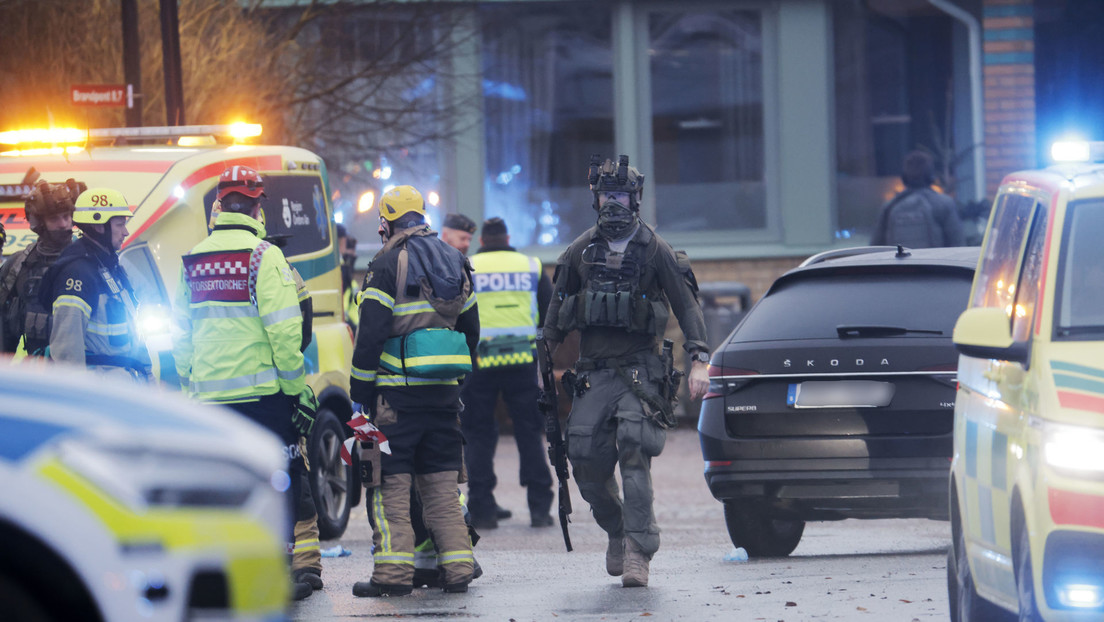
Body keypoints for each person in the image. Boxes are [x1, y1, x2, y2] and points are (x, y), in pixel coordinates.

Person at [542, 154, 709, 588]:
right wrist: (541, 359)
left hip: (640, 370)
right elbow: (556, 316)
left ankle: (638, 549)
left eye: (620, 195)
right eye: (605, 196)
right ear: (594, 199)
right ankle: (617, 530)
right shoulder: (580, 251)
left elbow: (687, 307)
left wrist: (700, 360)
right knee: (584, 463)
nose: (612, 204)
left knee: (634, 451)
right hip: (594, 372)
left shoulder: (656, 250)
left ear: (635, 199)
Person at [171, 166, 319, 601]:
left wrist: (189, 386)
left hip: (210, 400)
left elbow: (181, 335)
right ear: (257, 207)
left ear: (218, 206)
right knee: (280, 482)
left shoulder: (194, 259)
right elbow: (284, 333)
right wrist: (297, 392)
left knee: (222, 488)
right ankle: (275, 574)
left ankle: (227, 575)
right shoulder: (263, 256)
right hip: (264, 399)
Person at [350, 185, 479, 597]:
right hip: (443, 397)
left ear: (386, 222)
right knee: (442, 489)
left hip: (395, 400)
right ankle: (458, 570)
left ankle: (392, 576)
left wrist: (360, 391)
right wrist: (455, 380)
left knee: (390, 490)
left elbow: (370, 335)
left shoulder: (387, 262)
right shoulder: (456, 259)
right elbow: (471, 330)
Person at [461, 216, 555, 530]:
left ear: (483, 241)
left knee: (478, 434)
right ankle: (540, 508)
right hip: (521, 359)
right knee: (529, 432)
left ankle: (483, 508)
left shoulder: (468, 265)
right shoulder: (531, 266)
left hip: (479, 361)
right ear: (508, 237)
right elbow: (549, 311)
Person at [40, 188, 148, 379]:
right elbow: (67, 352)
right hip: (100, 391)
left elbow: (132, 331)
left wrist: (148, 377)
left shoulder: (109, 266)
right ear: (99, 226)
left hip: (124, 385)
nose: (126, 231)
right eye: (120, 224)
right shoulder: (77, 274)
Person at [0, 179, 83, 355]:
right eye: (54, 218)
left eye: (66, 216)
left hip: (83, 371)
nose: (63, 224)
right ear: (38, 223)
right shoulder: (17, 266)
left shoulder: (89, 260)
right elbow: (4, 328)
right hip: (38, 372)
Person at [870, 150, 965, 248]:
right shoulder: (944, 203)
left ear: (904, 178)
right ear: (930, 176)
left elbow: (875, 248)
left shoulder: (889, 207)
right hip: (933, 263)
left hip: (899, 263)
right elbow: (957, 245)